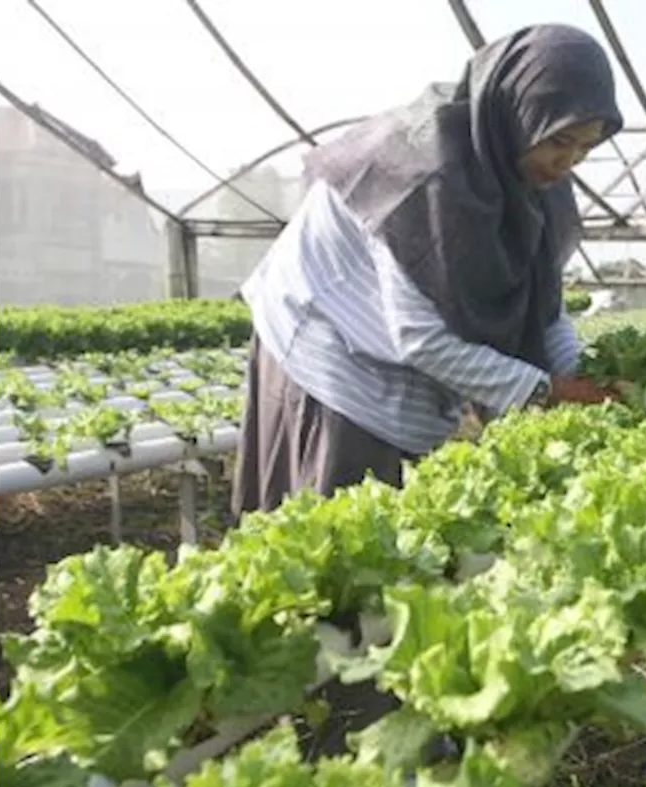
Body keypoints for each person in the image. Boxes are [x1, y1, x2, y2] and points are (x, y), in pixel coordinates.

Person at [230, 23, 624, 519]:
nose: (568, 161)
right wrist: (547, 390)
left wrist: (581, 374)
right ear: (518, 116)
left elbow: (544, 307)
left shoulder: (531, 182)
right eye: (559, 141)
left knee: (388, 530)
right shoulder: (425, 176)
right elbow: (420, 339)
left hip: (390, 353)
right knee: (331, 526)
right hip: (328, 350)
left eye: (585, 149)